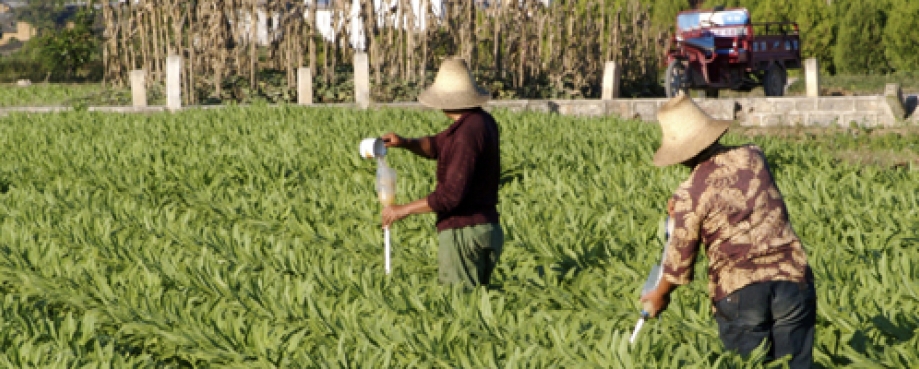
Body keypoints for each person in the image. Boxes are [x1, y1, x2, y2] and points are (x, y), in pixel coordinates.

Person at [639, 94, 816, 368]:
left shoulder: (691, 194)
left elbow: (679, 263)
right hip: (792, 278)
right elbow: (733, 190)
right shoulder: (754, 155)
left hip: (741, 291)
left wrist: (659, 295)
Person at [380, 57, 503, 287]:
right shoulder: (480, 122)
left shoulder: (466, 134)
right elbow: (437, 145)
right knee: (478, 305)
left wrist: (402, 210)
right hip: (486, 228)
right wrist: (404, 142)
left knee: (460, 309)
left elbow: (449, 196)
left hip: (465, 234)